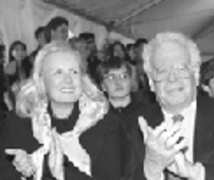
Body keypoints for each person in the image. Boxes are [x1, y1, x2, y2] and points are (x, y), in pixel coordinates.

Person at [131, 32, 214, 180]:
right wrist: (151, 169)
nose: (172, 78)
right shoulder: (131, 125)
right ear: (150, 82)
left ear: (196, 74)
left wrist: (196, 173)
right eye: (162, 71)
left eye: (181, 68)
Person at [0, 41, 125, 180]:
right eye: (58, 72)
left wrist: (62, 174)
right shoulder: (19, 121)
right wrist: (22, 174)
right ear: (41, 82)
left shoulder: (105, 122)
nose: (68, 80)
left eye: (74, 71)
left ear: (82, 79)